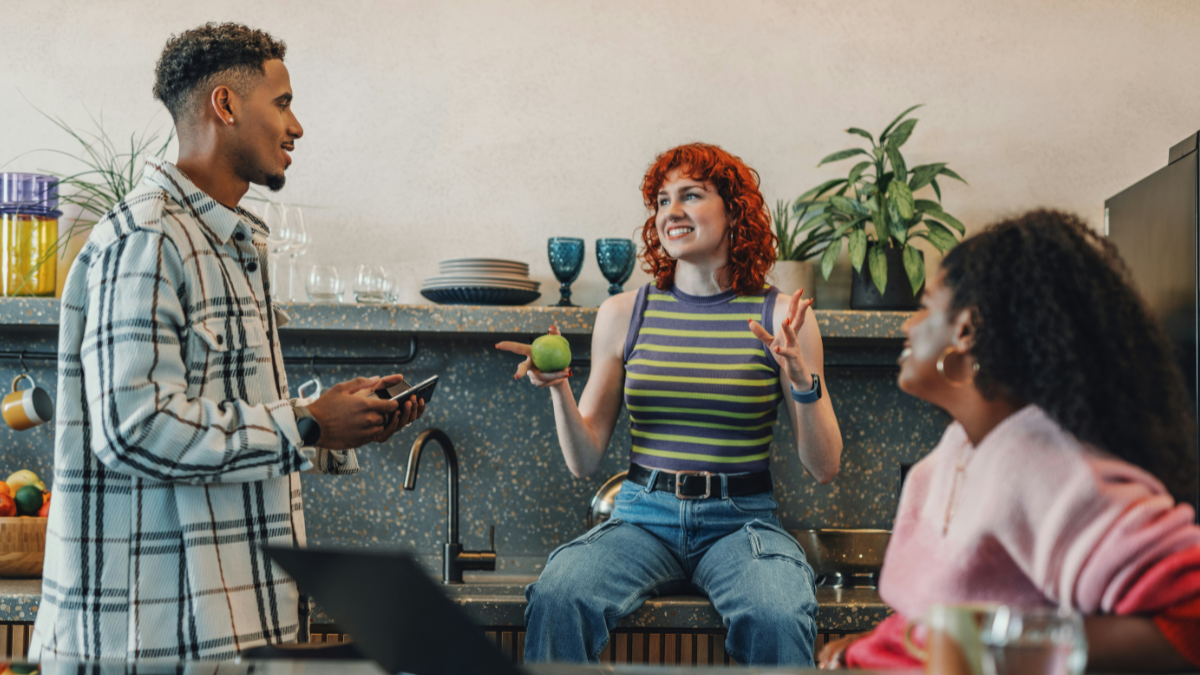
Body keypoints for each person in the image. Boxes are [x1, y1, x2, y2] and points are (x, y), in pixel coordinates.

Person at [31, 23, 425, 660]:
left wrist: (333, 424)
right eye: (284, 104)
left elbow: (219, 425)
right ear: (226, 105)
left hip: (228, 631)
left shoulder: (227, 243)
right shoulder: (149, 239)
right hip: (152, 642)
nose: (297, 127)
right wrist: (306, 425)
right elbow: (135, 427)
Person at [498, 143, 843, 666]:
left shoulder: (782, 316)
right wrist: (559, 388)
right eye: (662, 201)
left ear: (735, 212)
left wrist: (800, 378)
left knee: (777, 611)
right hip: (642, 518)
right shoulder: (623, 314)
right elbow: (584, 459)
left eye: (691, 195)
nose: (670, 212)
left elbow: (824, 466)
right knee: (560, 593)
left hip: (740, 522)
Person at [818, 210, 1200, 671]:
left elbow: (1188, 620)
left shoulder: (1044, 465)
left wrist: (994, 646)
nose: (908, 325)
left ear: (966, 329)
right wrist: (875, 645)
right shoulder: (959, 448)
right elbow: (954, 613)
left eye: (927, 306)